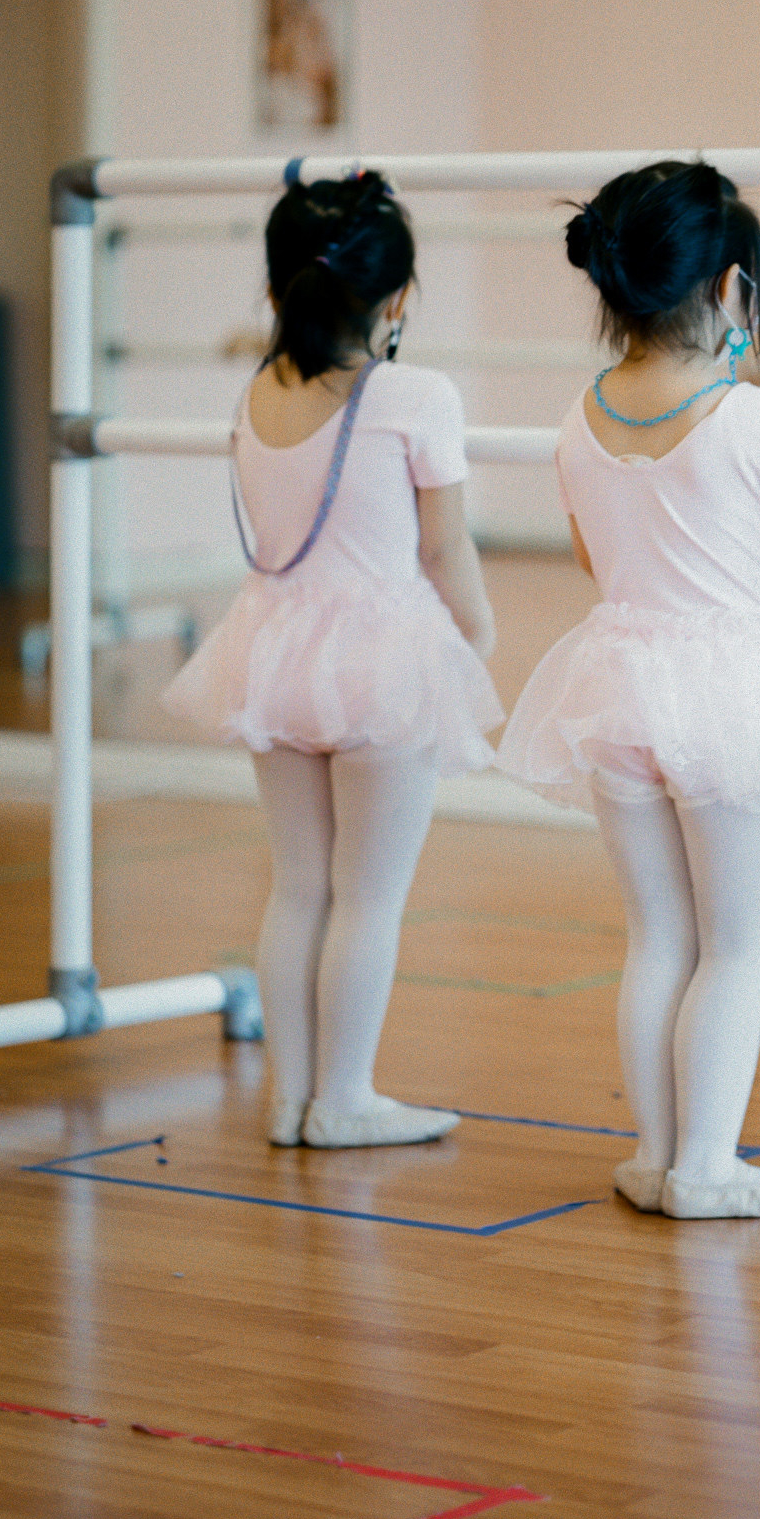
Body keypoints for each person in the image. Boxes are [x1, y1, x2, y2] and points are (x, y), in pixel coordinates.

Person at [498, 161, 760, 1220]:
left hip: (621, 682)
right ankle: (708, 1166)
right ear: (733, 289)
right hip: (734, 694)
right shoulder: (758, 422)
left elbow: (598, 557)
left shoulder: (576, 419)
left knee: (657, 938)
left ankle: (659, 1151)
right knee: (738, 946)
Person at [163, 171, 500, 1151]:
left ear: (279, 288)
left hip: (273, 648)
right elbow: (445, 549)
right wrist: (474, 636)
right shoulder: (416, 394)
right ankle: (344, 1097)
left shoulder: (255, 392)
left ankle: (292, 1096)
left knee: (299, 884)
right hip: (382, 658)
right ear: (397, 299)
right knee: (370, 893)